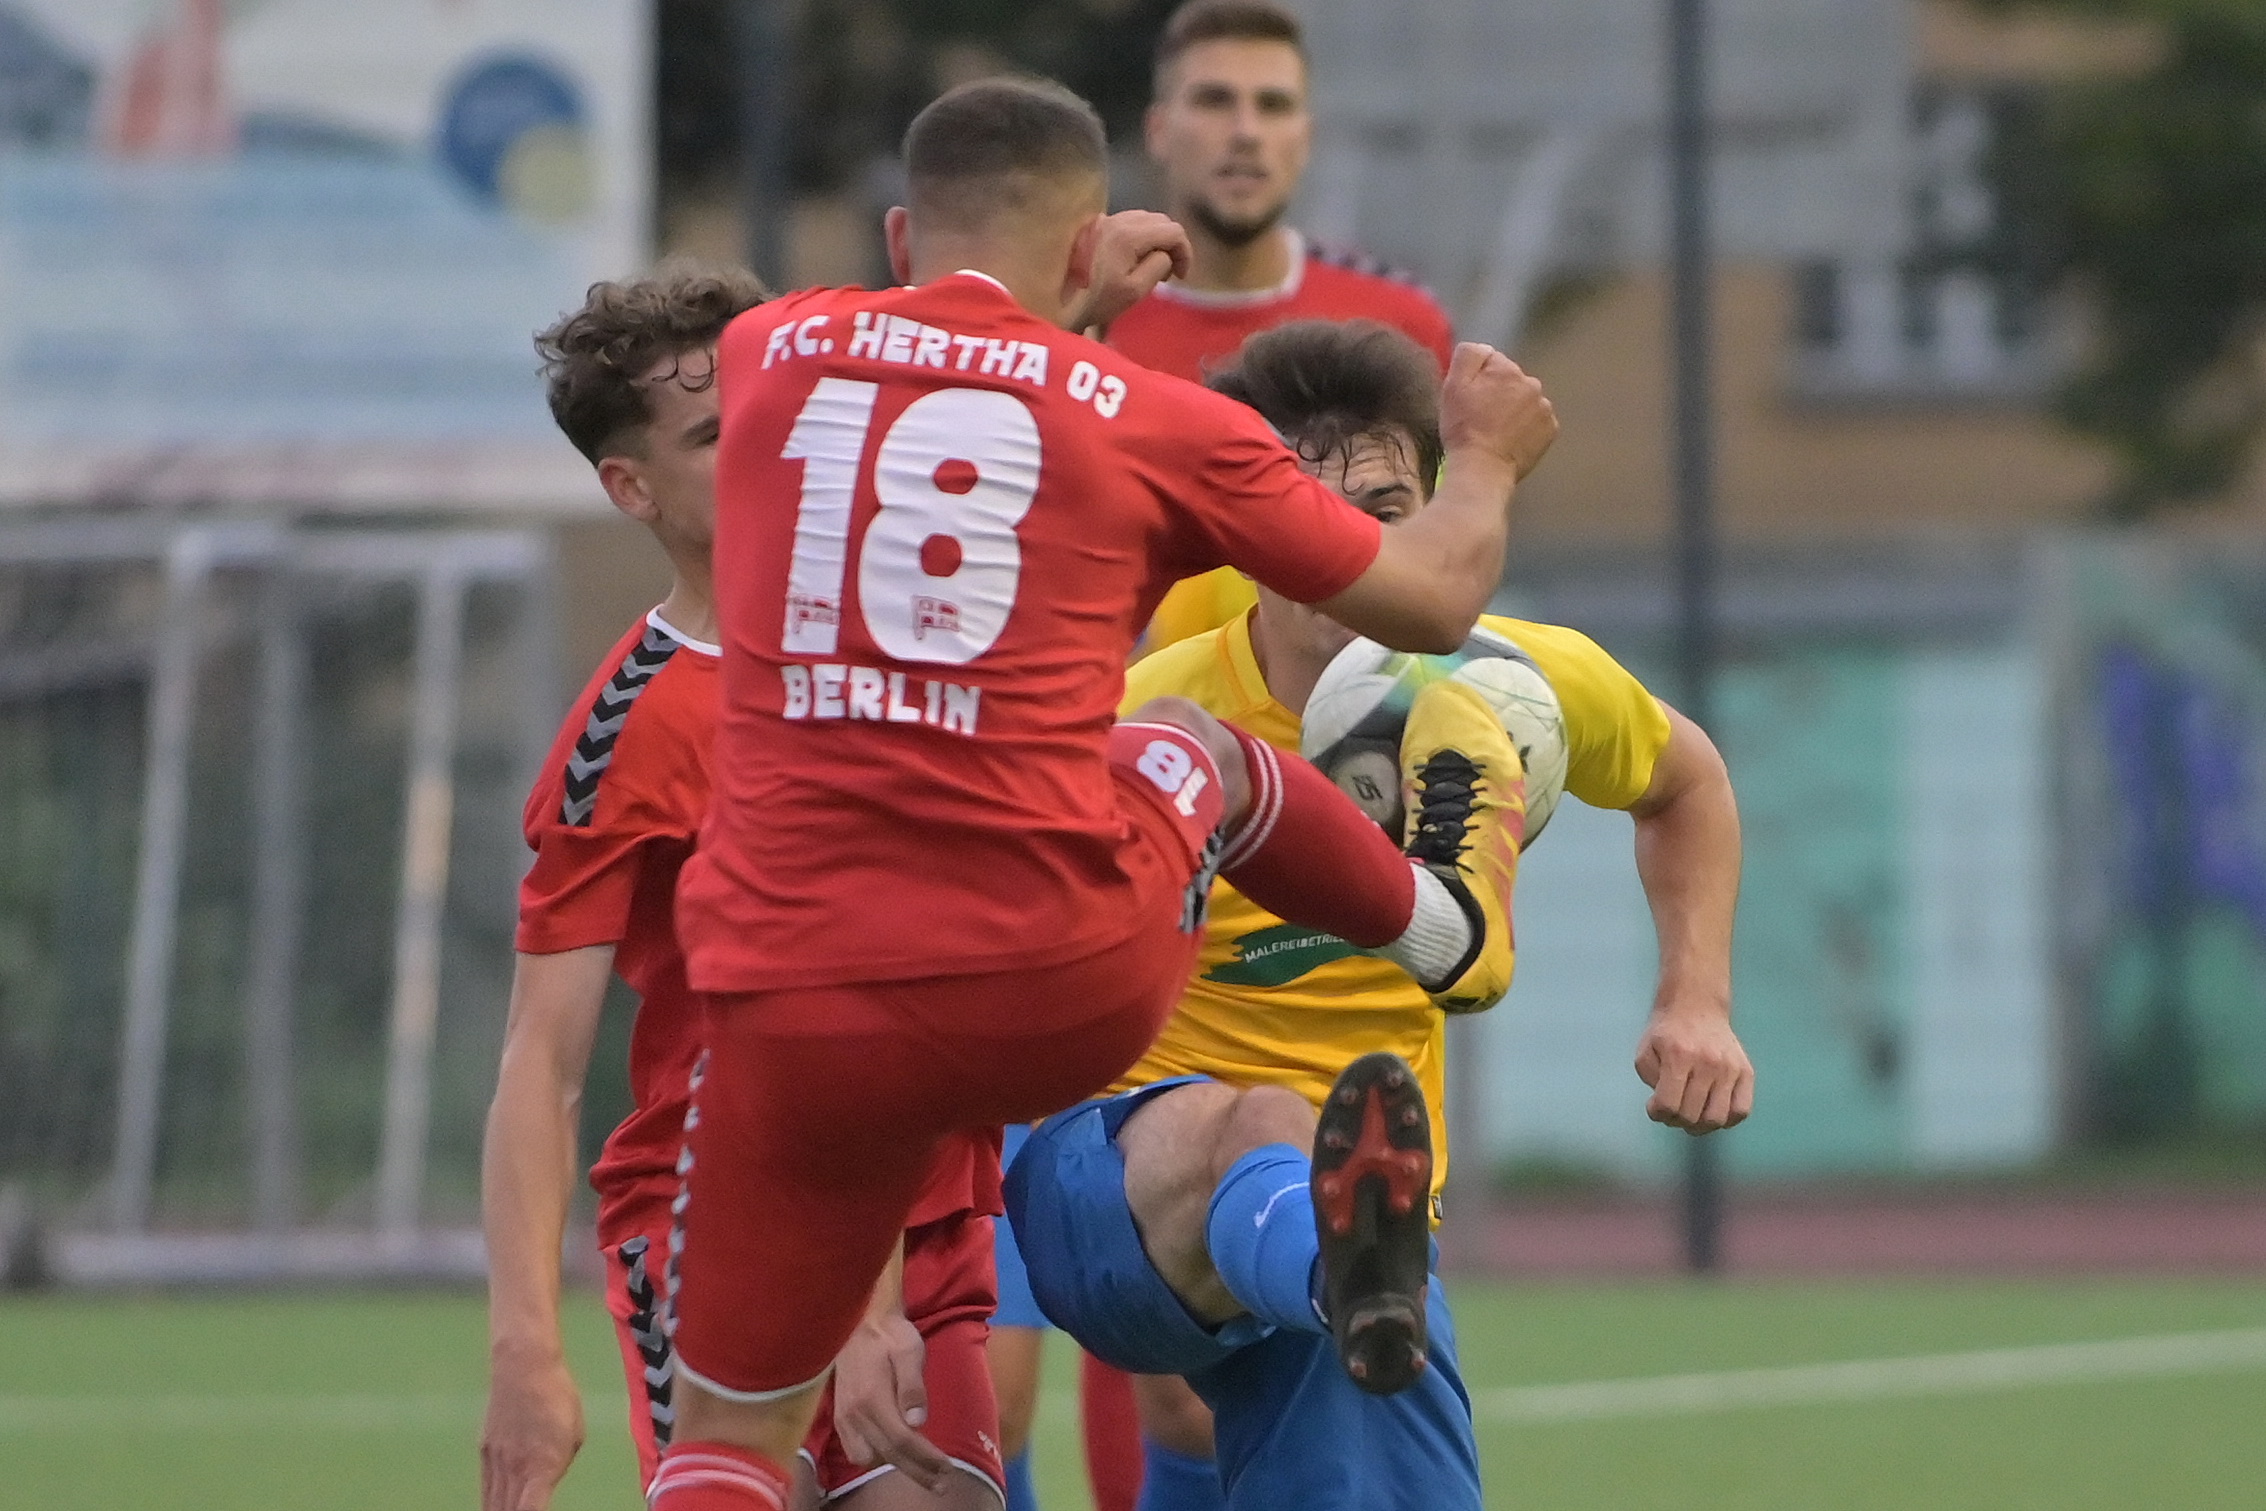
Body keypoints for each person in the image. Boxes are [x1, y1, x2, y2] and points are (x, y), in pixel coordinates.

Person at [650, 77, 1559, 1511]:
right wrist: (1491, 460)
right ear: (1084, 255)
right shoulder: (1152, 416)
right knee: (1194, 743)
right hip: (1051, 966)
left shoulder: (767, 350)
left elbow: (939, 369)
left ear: (900, 234)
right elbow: (1437, 596)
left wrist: (1059, 306)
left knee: (725, 1438)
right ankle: (1426, 933)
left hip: (790, 979)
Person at [1004, 319, 1755, 1511]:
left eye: (1391, 502)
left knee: (1349, 1387)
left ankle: (1340, 1262)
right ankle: (1331, 1231)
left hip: (1363, 1257)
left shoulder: (1514, 683)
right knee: (1257, 1140)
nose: (1355, 540)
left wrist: (1697, 996)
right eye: (1309, 505)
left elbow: (1688, 782)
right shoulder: (1147, 722)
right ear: (1247, 536)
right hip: (1115, 1182)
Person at [479, 268, 1006, 1511]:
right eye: (719, 434)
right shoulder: (631, 728)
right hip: (716, 1238)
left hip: (921, 1222)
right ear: (632, 487)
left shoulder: (911, 639)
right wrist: (524, 1351)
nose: (771, 442)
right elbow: (540, 1062)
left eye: (781, 404)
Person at [1110, 0, 1459, 653]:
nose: (1245, 132)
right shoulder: (1092, 324)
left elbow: (1442, 548)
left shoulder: (1400, 320)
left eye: (1272, 106)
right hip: (1136, 720)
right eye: (1215, 101)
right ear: (1158, 130)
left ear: (1305, 135)